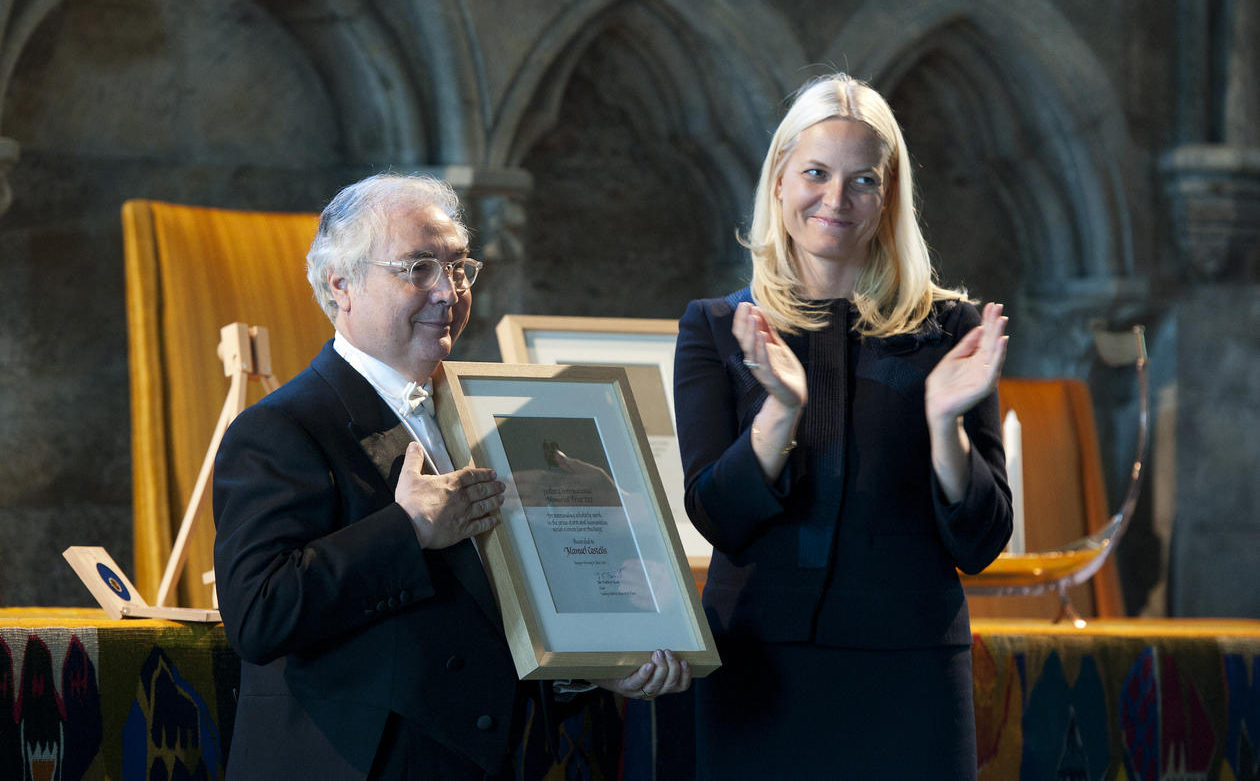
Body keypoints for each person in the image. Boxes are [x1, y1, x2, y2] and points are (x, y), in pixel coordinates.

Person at [213, 173, 690, 780]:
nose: (448, 291)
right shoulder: (281, 428)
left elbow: (495, 613)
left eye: (459, 266)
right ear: (342, 285)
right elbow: (258, 615)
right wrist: (406, 530)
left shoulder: (485, 416)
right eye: (417, 268)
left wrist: (591, 665)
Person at [673, 74, 1012, 779]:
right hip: (758, 671)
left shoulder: (950, 328)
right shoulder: (714, 326)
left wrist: (944, 421)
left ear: (887, 196)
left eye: (863, 179)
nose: (836, 199)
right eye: (816, 173)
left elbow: (980, 539)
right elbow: (717, 516)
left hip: (910, 673)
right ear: (778, 179)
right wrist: (780, 412)